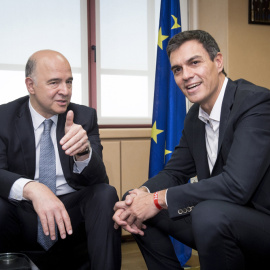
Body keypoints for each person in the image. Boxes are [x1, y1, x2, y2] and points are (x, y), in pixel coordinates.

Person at [113, 30, 270, 270]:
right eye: (177, 69)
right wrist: (142, 194)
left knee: (206, 213)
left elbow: (237, 187)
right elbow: (175, 172)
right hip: (218, 218)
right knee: (135, 205)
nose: (186, 75)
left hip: (261, 223)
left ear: (218, 62)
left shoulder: (255, 103)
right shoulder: (194, 116)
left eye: (194, 63)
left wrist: (156, 199)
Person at [0, 50, 121, 270]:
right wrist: (32, 189)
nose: (64, 91)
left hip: (70, 209)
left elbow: (99, 179)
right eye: (54, 82)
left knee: (105, 193)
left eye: (69, 82)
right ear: (30, 85)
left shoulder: (84, 117)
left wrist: (83, 152)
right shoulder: (4, 117)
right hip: (23, 210)